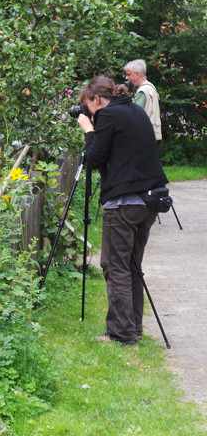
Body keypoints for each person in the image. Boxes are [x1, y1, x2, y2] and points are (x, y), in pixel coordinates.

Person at [77, 75, 167, 347]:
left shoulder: (108, 116)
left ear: (96, 99)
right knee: (131, 266)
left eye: (88, 106)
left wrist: (88, 131)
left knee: (115, 266)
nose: (88, 112)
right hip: (150, 201)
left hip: (124, 204)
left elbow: (94, 160)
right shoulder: (135, 110)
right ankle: (133, 328)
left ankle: (121, 334)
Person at [124, 59, 162, 140]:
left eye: (128, 75)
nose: (126, 78)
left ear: (137, 74)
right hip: (149, 135)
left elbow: (131, 115)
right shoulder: (150, 87)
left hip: (143, 136)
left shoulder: (143, 91)